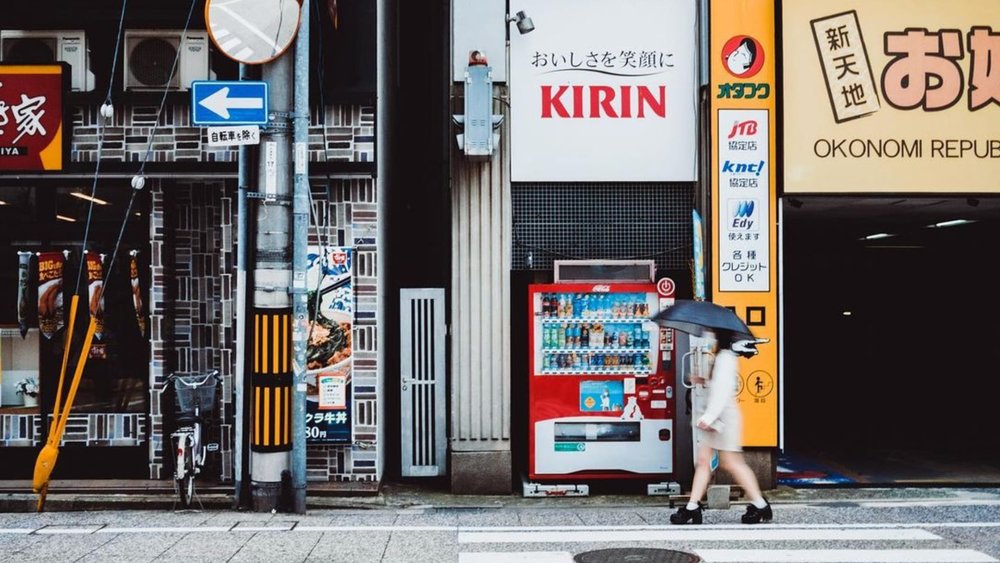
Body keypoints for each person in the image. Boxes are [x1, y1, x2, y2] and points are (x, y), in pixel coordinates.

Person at [670, 328, 773, 525]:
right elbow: (717, 386)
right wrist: (702, 380)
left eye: (712, 333)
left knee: (731, 462)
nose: (709, 335)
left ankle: (761, 505)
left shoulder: (725, 358)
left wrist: (709, 417)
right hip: (715, 418)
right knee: (703, 461)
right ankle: (693, 506)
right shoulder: (721, 356)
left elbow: (723, 392)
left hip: (723, 419)